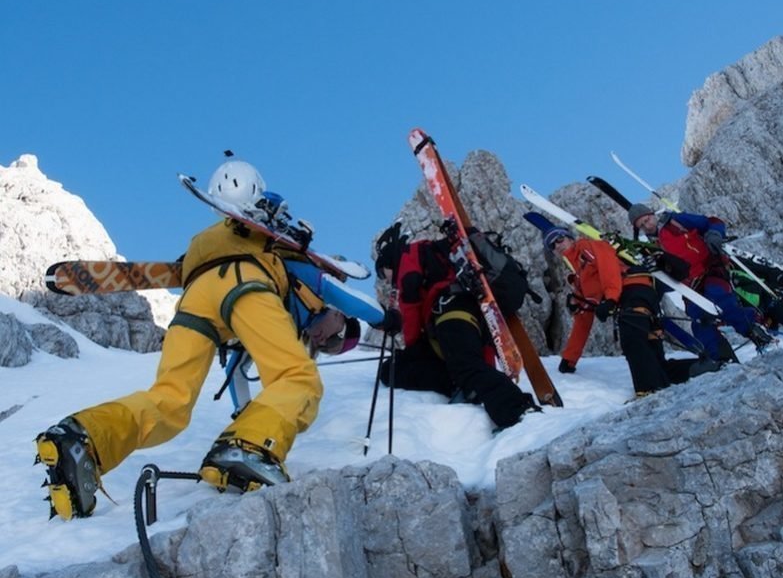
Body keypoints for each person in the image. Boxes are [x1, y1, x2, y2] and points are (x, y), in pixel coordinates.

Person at [35, 157, 385, 520]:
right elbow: (339, 293)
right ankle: (250, 447)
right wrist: (386, 317)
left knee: (169, 403)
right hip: (248, 284)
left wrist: (242, 415)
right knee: (298, 378)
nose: (325, 340)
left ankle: (84, 438)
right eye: (331, 338)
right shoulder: (290, 262)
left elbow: (236, 366)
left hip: (194, 297)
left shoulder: (217, 244)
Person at [373, 223, 537, 430]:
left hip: (451, 311)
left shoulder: (408, 256)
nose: (385, 280)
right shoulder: (433, 254)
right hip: (469, 317)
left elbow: (410, 306)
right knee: (392, 369)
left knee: (466, 367)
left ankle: (518, 410)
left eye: (382, 273)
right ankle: (464, 387)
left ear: (388, 262)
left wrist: (414, 346)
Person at [542, 226, 715, 397]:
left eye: (560, 239)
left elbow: (607, 264)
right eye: (552, 245)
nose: (557, 245)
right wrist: (569, 359)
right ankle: (701, 367)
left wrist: (610, 298)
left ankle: (648, 392)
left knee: (632, 339)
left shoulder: (587, 246)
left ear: (570, 238)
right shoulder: (580, 280)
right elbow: (583, 320)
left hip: (633, 289)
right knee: (652, 358)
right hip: (636, 297)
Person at [628, 204, 773, 360]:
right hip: (691, 287)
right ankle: (723, 359)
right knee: (699, 320)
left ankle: (755, 331)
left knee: (718, 297)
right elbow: (667, 281)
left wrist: (714, 234)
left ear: (652, 214)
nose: (647, 226)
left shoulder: (675, 221)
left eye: (647, 219)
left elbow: (712, 221)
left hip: (711, 267)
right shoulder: (651, 249)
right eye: (642, 225)